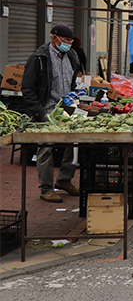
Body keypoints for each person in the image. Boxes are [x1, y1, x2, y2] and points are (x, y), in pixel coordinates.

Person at [21, 23, 81, 202]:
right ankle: (46, 188)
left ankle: (64, 180)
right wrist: (40, 113)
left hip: (67, 107)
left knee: (74, 142)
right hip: (47, 108)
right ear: (55, 37)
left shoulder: (72, 55)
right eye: (66, 40)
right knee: (46, 146)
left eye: (71, 41)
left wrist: (74, 95)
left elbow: (72, 82)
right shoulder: (39, 58)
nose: (69, 44)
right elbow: (27, 88)